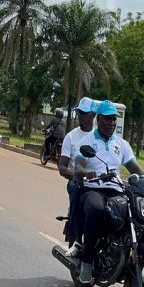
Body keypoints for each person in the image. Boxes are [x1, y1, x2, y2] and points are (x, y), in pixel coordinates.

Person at [73, 100, 144, 284]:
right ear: (98, 120)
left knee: (139, 214)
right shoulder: (87, 141)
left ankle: (134, 263)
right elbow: (78, 166)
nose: (111, 123)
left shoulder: (121, 144)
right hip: (93, 188)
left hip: (115, 189)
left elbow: (134, 167)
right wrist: (86, 172)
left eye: (114, 119)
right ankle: (87, 261)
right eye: (107, 119)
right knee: (96, 209)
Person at [58, 97, 97, 256]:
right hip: (78, 181)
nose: (80, 116)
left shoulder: (100, 136)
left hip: (99, 182)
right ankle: (77, 239)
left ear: (93, 115)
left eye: (84, 113)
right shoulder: (71, 137)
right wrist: (76, 176)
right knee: (76, 191)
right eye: (79, 113)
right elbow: (62, 167)